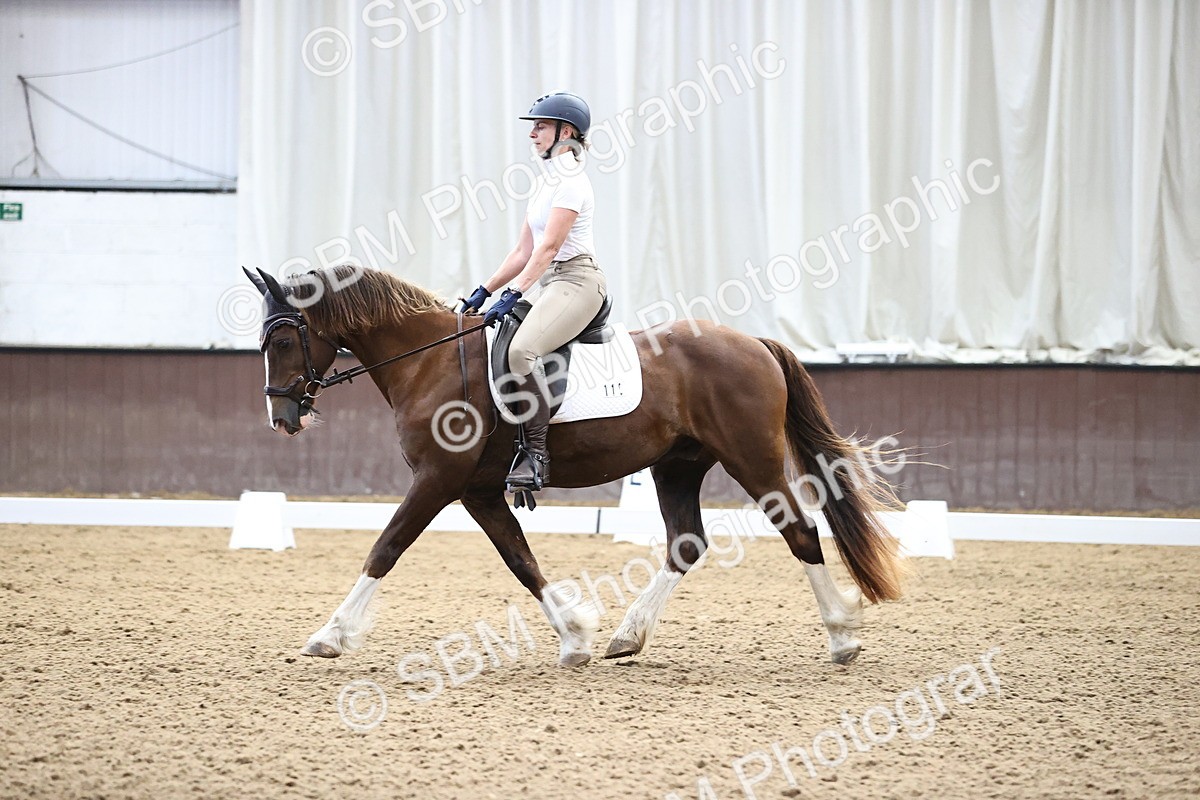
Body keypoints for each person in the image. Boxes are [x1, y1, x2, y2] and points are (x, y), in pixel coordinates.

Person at [461, 92, 606, 493]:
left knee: (521, 351)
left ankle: (536, 455)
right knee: (494, 339)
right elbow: (522, 251)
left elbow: (550, 248)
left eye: (540, 126)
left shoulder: (573, 183)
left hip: (577, 281)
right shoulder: (545, 185)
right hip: (548, 281)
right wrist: (482, 291)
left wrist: (515, 293)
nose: (533, 134)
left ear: (567, 132)